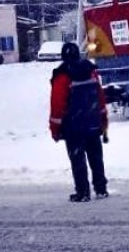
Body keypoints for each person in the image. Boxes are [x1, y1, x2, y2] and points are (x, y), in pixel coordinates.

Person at [49, 42, 109, 202]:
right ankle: (101, 188)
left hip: (73, 127)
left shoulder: (62, 76)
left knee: (78, 160)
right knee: (96, 157)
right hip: (93, 123)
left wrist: (55, 129)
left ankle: (83, 192)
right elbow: (100, 97)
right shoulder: (91, 72)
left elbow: (57, 105)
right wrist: (103, 119)